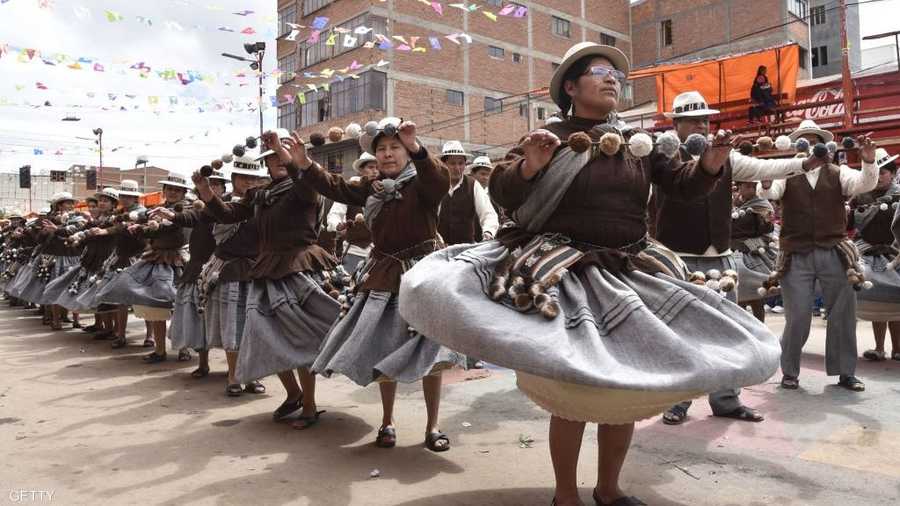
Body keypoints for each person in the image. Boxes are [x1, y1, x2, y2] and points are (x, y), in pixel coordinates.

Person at [398, 42, 781, 506]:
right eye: (599, 72)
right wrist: (530, 167)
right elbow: (504, 190)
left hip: (627, 270)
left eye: (616, 74)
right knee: (575, 388)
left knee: (622, 386)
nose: (611, 79)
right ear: (572, 88)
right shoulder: (549, 137)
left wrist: (711, 164)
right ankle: (565, 495)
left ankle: (609, 489)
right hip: (563, 274)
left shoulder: (643, 144)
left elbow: (682, 187)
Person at [655, 90, 823, 426]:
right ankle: (677, 400)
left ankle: (726, 400)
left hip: (721, 258)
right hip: (679, 259)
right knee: (680, 332)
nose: (701, 125)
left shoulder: (727, 157)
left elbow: (763, 165)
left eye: (705, 119)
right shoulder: (661, 158)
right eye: (693, 120)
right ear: (677, 124)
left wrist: (803, 163)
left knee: (729, 330)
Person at [295, 117, 464, 451]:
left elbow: (439, 180)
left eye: (395, 148)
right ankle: (387, 423)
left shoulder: (423, 185)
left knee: (433, 354)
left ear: (406, 151)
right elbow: (335, 186)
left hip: (424, 276)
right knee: (384, 348)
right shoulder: (368, 188)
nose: (388, 154)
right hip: (384, 275)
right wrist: (305, 164)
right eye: (382, 149)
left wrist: (418, 148)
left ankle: (433, 427)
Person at [192, 128, 340, 426]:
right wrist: (205, 190)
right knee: (264, 335)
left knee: (302, 337)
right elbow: (229, 214)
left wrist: (288, 154)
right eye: (272, 157)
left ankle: (310, 406)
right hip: (266, 270)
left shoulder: (305, 187)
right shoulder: (260, 195)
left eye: (283, 155)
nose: (278, 161)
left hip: (299, 268)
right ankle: (294, 393)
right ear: (266, 164)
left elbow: (303, 180)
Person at [758, 119, 879, 392]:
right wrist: (765, 182)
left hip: (834, 251)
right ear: (797, 147)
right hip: (795, 253)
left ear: (825, 145)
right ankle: (789, 371)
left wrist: (869, 161)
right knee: (798, 315)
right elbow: (769, 191)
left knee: (843, 313)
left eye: (815, 141)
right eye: (805, 141)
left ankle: (846, 372)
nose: (811, 146)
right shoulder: (787, 173)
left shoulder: (839, 172)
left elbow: (864, 184)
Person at [158, 156, 269, 395]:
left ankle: (252, 375)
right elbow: (198, 217)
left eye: (253, 177)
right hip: (228, 270)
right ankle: (233, 377)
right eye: (243, 177)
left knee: (256, 327)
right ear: (234, 179)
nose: (248, 182)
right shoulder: (222, 203)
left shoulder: (267, 203)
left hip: (259, 270)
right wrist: (175, 217)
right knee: (233, 326)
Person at [97, 173, 192, 363]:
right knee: (155, 306)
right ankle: (159, 350)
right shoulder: (155, 209)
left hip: (180, 261)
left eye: (177, 190)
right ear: (164, 191)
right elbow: (141, 219)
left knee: (182, 307)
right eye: (170, 189)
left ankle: (184, 348)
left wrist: (145, 228)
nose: (173, 192)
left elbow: (167, 226)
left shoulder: (186, 210)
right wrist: (133, 223)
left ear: (183, 193)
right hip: (156, 259)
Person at [168, 170, 228, 364]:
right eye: (207, 184)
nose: (211, 187)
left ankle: (235, 371)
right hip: (197, 269)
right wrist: (170, 215)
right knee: (199, 319)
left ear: (224, 188)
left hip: (227, 270)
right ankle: (203, 364)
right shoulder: (198, 210)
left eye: (216, 184)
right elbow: (188, 217)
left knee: (230, 321)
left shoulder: (234, 208)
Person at [46, 188, 119, 338]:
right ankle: (102, 326)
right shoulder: (97, 219)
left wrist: (93, 234)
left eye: (106, 201)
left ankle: (114, 329)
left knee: (108, 295)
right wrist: (70, 237)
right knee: (95, 293)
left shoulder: (115, 218)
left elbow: (109, 231)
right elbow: (83, 231)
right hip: (93, 258)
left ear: (113, 204)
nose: (102, 203)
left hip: (108, 258)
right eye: (101, 200)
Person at [850, 148, 900, 361]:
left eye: (884, 172)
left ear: (893, 173)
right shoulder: (860, 196)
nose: (879, 177)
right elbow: (848, 223)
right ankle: (879, 348)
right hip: (868, 252)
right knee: (876, 300)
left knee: (897, 302)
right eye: (875, 172)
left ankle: (898, 349)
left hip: (896, 253)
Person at [730, 181, 778, 322]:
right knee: (738, 299)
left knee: (756, 298)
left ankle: (761, 330)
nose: (750, 189)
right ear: (740, 187)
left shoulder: (762, 205)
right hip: (734, 252)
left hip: (755, 253)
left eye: (753, 186)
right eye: (746, 186)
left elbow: (766, 228)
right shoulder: (735, 203)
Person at [438, 140, 499, 244]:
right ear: (444, 164)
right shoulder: (436, 186)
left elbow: (488, 214)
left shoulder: (473, 185)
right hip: (439, 248)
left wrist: (488, 232)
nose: (457, 168)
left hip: (465, 248)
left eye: (461, 163)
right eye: (452, 163)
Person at [326, 152, 378, 274]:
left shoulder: (385, 190)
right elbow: (334, 215)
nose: (375, 171)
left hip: (380, 254)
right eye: (371, 167)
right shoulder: (351, 190)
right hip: (354, 252)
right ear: (361, 170)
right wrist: (339, 226)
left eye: (377, 168)